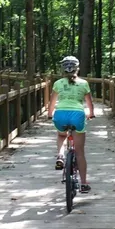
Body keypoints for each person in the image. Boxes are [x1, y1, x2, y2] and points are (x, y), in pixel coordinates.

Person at [47, 56, 95, 192]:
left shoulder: (58, 83)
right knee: (80, 152)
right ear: (77, 69)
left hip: (61, 114)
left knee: (62, 135)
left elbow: (52, 102)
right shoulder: (84, 83)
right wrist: (91, 114)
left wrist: (50, 114)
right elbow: (90, 103)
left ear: (62, 69)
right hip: (77, 115)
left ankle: (60, 156)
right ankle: (84, 183)